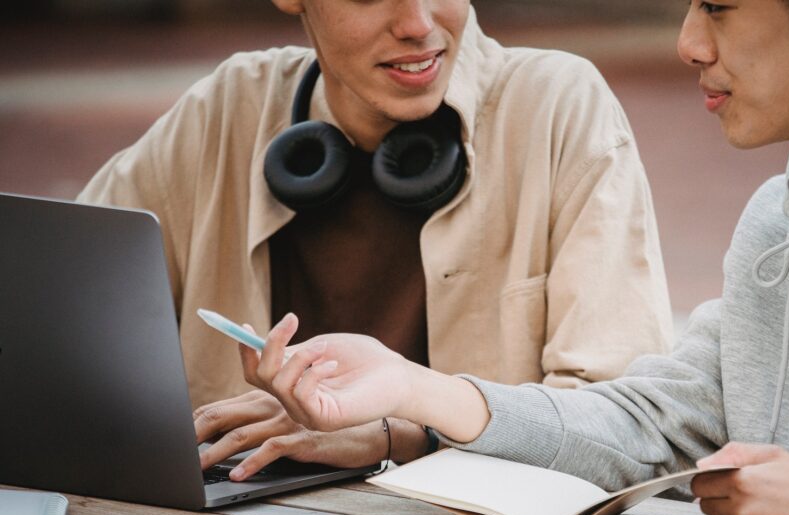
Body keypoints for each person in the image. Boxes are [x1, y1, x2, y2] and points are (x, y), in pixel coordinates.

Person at [240, 0, 789, 515]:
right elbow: (646, 421)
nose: (687, 42)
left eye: (717, 7)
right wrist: (414, 391)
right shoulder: (776, 224)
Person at [78, 1, 674, 472]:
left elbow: (620, 431)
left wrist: (403, 432)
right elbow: (51, 315)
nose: (418, 24)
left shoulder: (558, 107)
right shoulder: (225, 107)